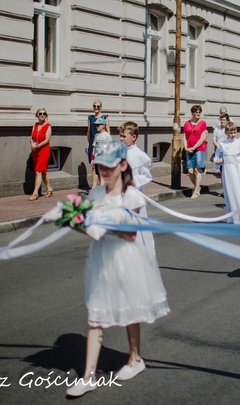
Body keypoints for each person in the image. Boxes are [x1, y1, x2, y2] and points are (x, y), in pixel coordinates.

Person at [66, 141, 170, 398]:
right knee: (95, 316)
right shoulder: (95, 194)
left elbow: (131, 235)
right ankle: (88, 376)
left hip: (125, 258)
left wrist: (105, 223)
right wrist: (74, 219)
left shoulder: (131, 196)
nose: (104, 170)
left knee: (130, 310)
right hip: (101, 258)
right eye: (100, 165)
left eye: (109, 165)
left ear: (123, 165)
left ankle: (135, 358)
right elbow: (88, 229)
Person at [118, 122, 156, 261]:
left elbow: (147, 176)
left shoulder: (140, 155)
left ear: (133, 137)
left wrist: (133, 180)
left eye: (124, 136)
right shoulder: (118, 152)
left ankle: (146, 254)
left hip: (134, 195)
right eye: (120, 136)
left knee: (139, 224)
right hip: (120, 195)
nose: (121, 139)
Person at [215, 122, 240, 225]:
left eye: (234, 132)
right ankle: (232, 218)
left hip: (239, 171)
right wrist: (218, 161)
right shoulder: (222, 144)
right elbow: (217, 156)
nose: (233, 135)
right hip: (228, 171)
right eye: (230, 133)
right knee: (230, 194)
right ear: (226, 132)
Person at [183, 105, 209, 199]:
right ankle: (197, 187)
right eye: (196, 112)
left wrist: (194, 147)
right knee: (190, 170)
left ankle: (196, 191)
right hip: (189, 149)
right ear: (192, 113)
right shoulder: (187, 123)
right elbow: (185, 136)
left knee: (197, 170)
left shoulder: (202, 123)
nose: (198, 113)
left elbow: (202, 138)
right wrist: (186, 147)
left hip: (199, 149)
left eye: (199, 112)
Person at [29, 107, 53, 201]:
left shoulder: (48, 126)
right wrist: (32, 144)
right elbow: (31, 137)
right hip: (35, 151)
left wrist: (38, 146)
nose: (42, 115)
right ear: (37, 115)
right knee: (42, 171)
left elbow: (47, 140)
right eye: (40, 114)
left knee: (38, 171)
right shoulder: (35, 125)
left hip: (44, 151)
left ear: (46, 115)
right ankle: (49, 188)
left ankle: (35, 193)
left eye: (44, 114)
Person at [86, 100, 110, 188]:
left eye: (98, 106)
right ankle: (94, 186)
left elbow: (108, 131)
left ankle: (102, 186)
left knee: (101, 167)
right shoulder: (90, 118)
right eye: (94, 106)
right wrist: (88, 144)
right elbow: (88, 132)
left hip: (102, 144)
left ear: (101, 107)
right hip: (93, 143)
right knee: (93, 166)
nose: (96, 108)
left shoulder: (104, 117)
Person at [91, 117, 112, 187]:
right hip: (97, 158)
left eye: (98, 125)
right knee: (99, 174)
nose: (97, 127)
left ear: (103, 125)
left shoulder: (107, 136)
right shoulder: (96, 136)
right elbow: (94, 147)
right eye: (96, 125)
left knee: (102, 175)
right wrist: (92, 159)